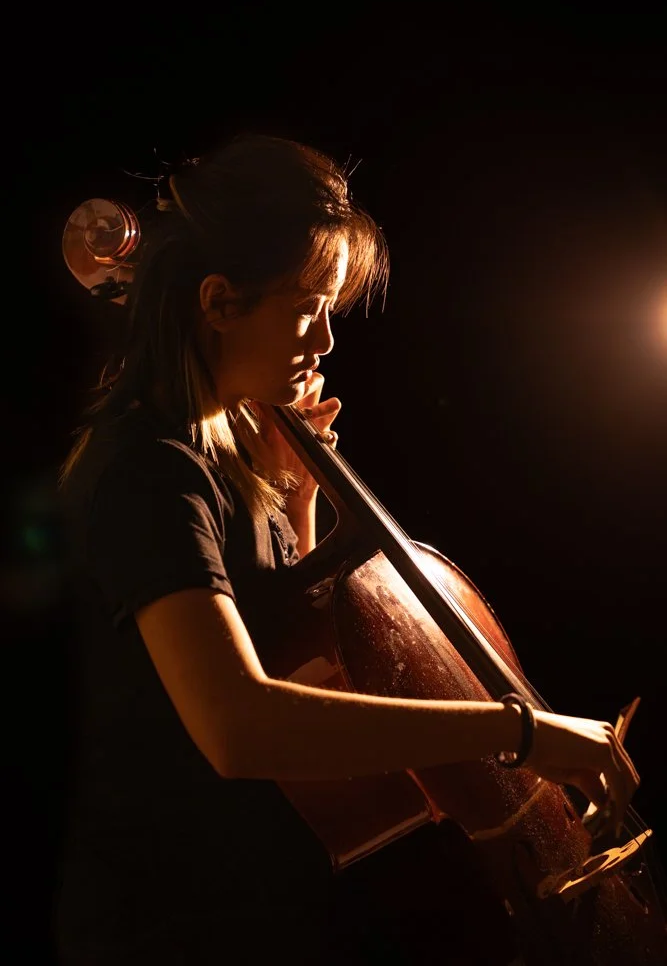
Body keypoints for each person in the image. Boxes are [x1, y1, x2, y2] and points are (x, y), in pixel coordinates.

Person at [51, 133, 640, 965]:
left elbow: (298, 645)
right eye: (306, 306)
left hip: (268, 908)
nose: (325, 339)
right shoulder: (149, 471)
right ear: (218, 301)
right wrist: (517, 733)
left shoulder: (219, 452)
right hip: (179, 927)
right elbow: (240, 725)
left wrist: (296, 496)